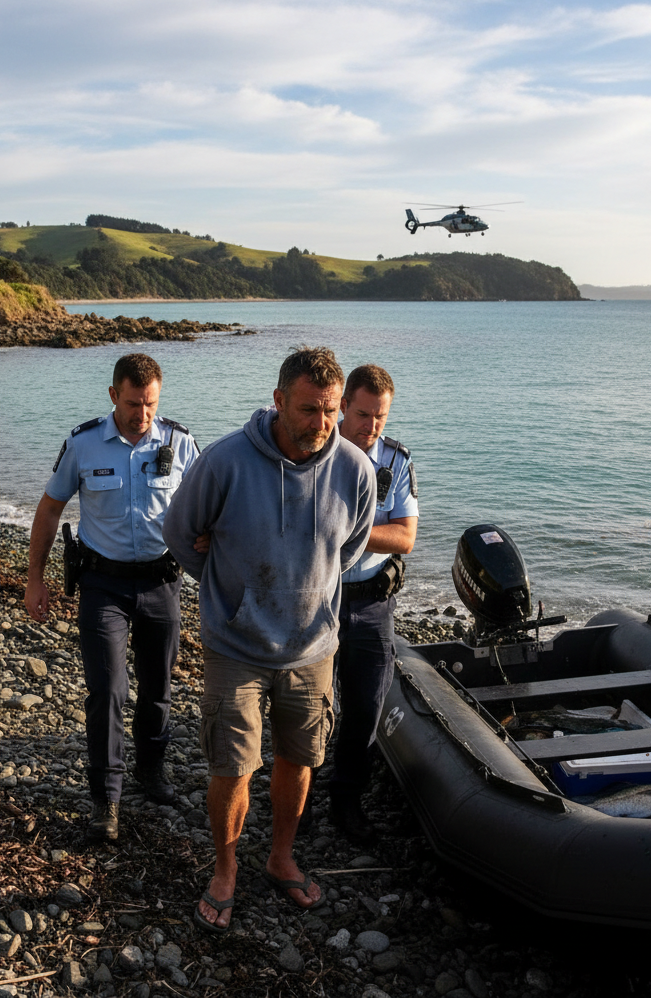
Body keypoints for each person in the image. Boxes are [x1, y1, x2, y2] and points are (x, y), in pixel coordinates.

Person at [162, 346, 376, 934]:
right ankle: (226, 869)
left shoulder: (354, 468)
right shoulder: (226, 461)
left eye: (331, 411)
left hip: (313, 648)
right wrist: (226, 593)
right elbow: (180, 532)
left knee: (299, 759)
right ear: (278, 400)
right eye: (309, 410)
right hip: (236, 646)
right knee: (232, 768)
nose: (322, 424)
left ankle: (281, 855)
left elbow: (351, 547)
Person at [24, 353, 199, 844]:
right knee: (107, 689)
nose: (142, 415)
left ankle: (152, 770)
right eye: (132, 404)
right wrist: (34, 578)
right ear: (112, 396)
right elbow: (50, 508)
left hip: (163, 582)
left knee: (158, 686)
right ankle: (107, 797)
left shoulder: (181, 443)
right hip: (103, 586)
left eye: (150, 405)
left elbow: (209, 508)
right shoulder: (82, 444)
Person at [328, 364, 418, 843]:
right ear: (344, 405)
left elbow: (405, 537)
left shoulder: (397, 461)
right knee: (306, 704)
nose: (371, 426)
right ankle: (294, 794)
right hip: (319, 598)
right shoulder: (319, 451)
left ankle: (347, 801)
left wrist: (346, 536)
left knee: (365, 706)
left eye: (380, 417)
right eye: (363, 415)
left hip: (370, 604)